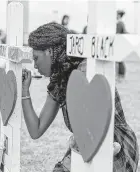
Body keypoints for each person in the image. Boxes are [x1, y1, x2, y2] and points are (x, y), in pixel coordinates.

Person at [22, 22, 139, 172]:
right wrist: (25, 91)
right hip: (85, 144)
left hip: (117, 144)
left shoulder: (86, 69)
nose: (35, 65)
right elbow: (35, 130)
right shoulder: (59, 81)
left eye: (36, 58)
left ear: (49, 51)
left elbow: (93, 121)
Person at [116, 10, 127, 77]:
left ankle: (121, 74)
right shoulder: (121, 23)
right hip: (121, 44)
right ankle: (121, 74)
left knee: (119, 60)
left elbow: (117, 34)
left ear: (119, 15)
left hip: (118, 44)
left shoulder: (119, 24)